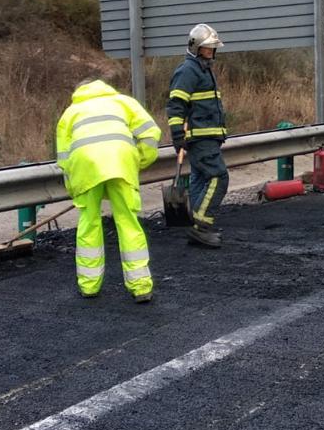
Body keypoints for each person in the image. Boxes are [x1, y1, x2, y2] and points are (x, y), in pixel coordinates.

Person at [56, 79, 161, 303]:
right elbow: (151, 132)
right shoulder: (123, 102)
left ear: (79, 91)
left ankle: (89, 286)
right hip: (121, 161)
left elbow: (64, 158)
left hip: (85, 167)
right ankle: (141, 286)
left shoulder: (71, 112)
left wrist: (75, 188)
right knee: (128, 221)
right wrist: (139, 161)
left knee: (89, 223)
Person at [167, 24, 229, 249]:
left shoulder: (204, 69)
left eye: (213, 48)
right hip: (200, 139)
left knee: (200, 179)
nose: (211, 52)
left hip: (208, 137)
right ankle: (200, 227)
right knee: (218, 177)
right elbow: (176, 105)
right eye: (207, 48)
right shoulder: (188, 71)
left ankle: (194, 222)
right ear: (195, 48)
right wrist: (176, 135)